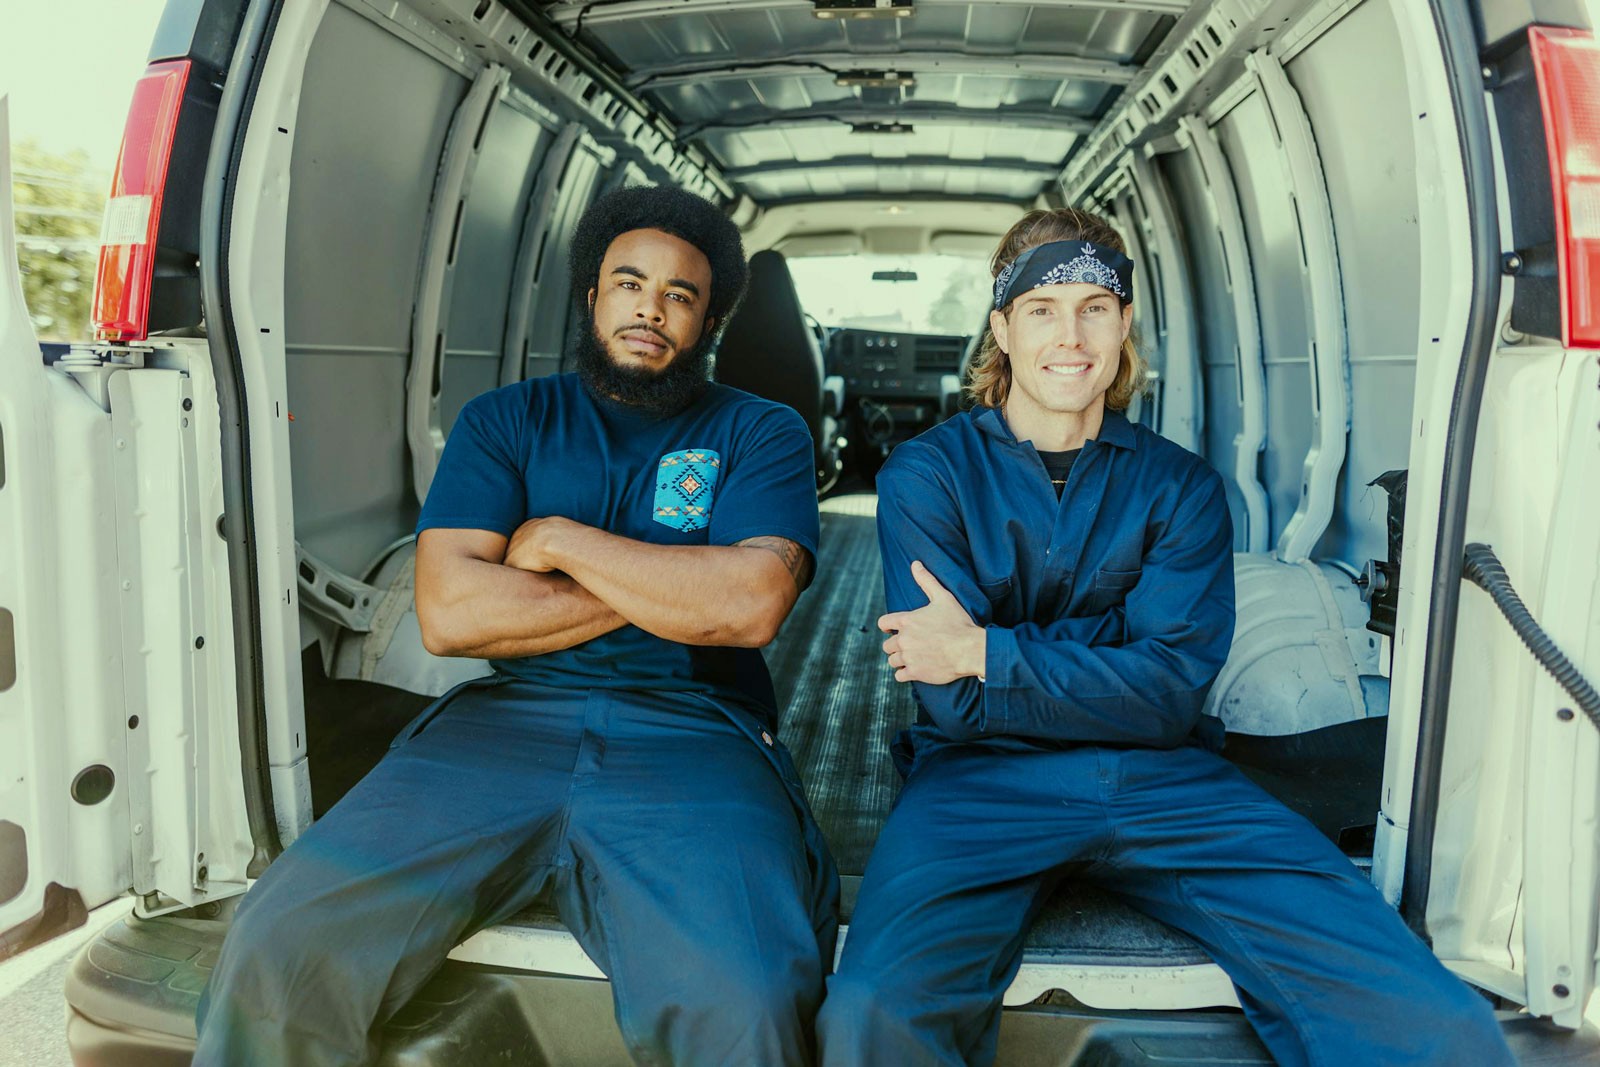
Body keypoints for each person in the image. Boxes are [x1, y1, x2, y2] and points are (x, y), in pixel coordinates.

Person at [815, 207, 1512, 1066]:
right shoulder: (928, 475)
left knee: (1431, 1019)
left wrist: (989, 651)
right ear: (1001, 326)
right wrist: (1102, 664)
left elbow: (1168, 695)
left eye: (1094, 309)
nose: (1069, 336)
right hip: (979, 783)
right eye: (1042, 309)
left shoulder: (1180, 488)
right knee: (870, 1015)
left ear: (1123, 325)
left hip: (1170, 781)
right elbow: (954, 706)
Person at [195, 185, 839, 1067]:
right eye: (629, 282)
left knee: (748, 1002)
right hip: (499, 728)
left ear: (709, 321)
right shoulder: (506, 420)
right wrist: (679, 581)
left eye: (680, 295)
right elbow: (452, 615)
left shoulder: (761, 430)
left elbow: (751, 606)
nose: (650, 307)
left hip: (694, 734)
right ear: (591, 297)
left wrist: (561, 541)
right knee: (278, 947)